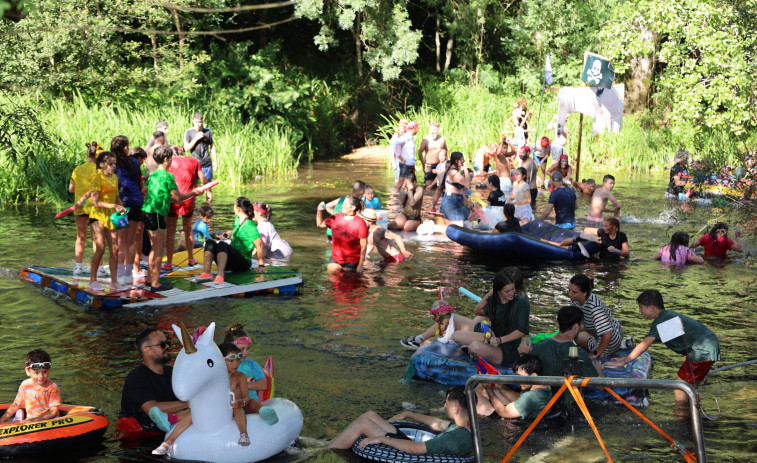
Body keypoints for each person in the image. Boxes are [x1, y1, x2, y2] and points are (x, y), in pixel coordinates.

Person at [607, 290, 720, 403]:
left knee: (679, 386)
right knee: (690, 385)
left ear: (651, 307)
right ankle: (693, 413)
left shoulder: (661, 322)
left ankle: (680, 414)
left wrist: (624, 360)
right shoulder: (667, 316)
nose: (640, 311)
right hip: (707, 345)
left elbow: (645, 344)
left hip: (702, 349)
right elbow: (653, 341)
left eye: (641, 307)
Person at [328, 386, 474, 458]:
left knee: (363, 424)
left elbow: (415, 449)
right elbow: (437, 422)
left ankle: (326, 450)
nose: (444, 406)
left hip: (413, 456)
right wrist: (408, 414)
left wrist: (382, 439)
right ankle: (329, 443)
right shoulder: (462, 426)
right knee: (370, 415)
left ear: (456, 408)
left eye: (447, 403)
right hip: (414, 450)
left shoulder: (454, 439)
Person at [141, 145, 202, 291]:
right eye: (171, 159)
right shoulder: (168, 176)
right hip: (156, 213)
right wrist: (193, 192)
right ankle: (155, 284)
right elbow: (180, 198)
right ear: (166, 159)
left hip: (148, 212)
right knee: (158, 248)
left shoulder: (154, 175)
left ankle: (150, 279)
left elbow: (170, 199)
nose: (172, 161)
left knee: (154, 248)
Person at [120, 328, 188, 437]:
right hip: (142, 437)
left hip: (169, 428)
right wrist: (187, 403)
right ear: (147, 350)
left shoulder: (172, 373)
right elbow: (152, 409)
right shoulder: (136, 378)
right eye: (162, 344)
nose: (167, 347)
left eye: (167, 343)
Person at [451, 273, 529, 365]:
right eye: (507, 291)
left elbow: (521, 331)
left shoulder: (521, 302)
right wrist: (490, 334)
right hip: (492, 340)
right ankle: (478, 349)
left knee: (474, 347)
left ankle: (476, 351)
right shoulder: (494, 299)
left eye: (513, 289)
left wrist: (500, 340)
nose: (512, 293)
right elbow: (478, 311)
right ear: (498, 291)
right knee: (455, 335)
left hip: (509, 348)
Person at [198, 197, 265, 283]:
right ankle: (207, 272)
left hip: (243, 264)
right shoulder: (237, 220)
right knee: (210, 242)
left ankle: (220, 274)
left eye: (234, 206)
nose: (233, 208)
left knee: (222, 244)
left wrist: (261, 265)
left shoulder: (249, 225)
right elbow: (234, 236)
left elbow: (260, 244)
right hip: (231, 262)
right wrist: (222, 236)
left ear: (238, 208)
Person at [87, 151, 127, 291]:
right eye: (110, 164)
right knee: (100, 249)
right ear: (102, 164)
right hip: (97, 216)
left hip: (111, 217)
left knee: (115, 249)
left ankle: (114, 281)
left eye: (115, 163)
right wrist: (113, 206)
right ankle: (93, 280)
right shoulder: (97, 178)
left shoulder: (114, 177)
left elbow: (116, 197)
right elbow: (95, 202)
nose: (113, 166)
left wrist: (121, 207)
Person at [165, 146, 207, 269]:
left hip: (173, 200)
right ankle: (191, 258)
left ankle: (168, 263)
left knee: (171, 232)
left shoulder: (169, 162)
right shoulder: (194, 161)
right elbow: (203, 180)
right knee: (188, 229)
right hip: (189, 199)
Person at [474, 354, 551, 419]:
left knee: (475, 396)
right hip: (520, 414)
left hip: (514, 425)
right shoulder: (542, 386)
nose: (517, 380)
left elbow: (503, 412)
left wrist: (488, 389)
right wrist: (500, 385)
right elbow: (519, 398)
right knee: (484, 387)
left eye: (519, 376)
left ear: (533, 376)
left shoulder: (531, 397)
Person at [112, 135, 145, 285]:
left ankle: (119, 274)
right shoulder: (134, 162)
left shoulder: (111, 163)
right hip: (137, 201)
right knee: (131, 241)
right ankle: (128, 274)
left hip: (122, 204)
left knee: (121, 241)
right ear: (126, 148)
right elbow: (137, 180)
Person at [567, 274, 624, 357]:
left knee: (576, 336)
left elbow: (608, 334)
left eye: (574, 292)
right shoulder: (575, 300)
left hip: (610, 343)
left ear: (584, 293)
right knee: (572, 330)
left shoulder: (595, 309)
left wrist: (595, 355)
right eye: (569, 290)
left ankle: (606, 349)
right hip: (609, 329)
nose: (570, 294)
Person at [0, 349, 60, 424]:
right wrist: (1, 421)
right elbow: (16, 404)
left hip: (49, 421)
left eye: (45, 372)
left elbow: (53, 411)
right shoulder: (25, 385)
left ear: (49, 370)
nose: (41, 376)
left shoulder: (52, 387)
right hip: (30, 422)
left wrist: (36, 420)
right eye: (36, 373)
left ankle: (19, 417)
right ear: (28, 371)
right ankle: (18, 417)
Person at [316, 195, 368, 274]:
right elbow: (320, 224)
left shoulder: (360, 223)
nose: (342, 206)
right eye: (343, 204)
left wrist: (360, 265)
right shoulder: (336, 217)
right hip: (335, 258)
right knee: (333, 271)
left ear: (353, 207)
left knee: (348, 283)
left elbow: (363, 246)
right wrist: (319, 211)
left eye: (345, 204)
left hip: (352, 262)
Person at [70, 141, 100, 277]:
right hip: (94, 207)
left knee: (80, 237)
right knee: (96, 238)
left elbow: (71, 189)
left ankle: (78, 267)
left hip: (80, 206)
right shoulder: (99, 170)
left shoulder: (77, 169)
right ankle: (99, 269)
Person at [183, 112, 218, 203]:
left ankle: (209, 208)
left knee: (208, 187)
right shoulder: (189, 132)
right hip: (194, 164)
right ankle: (192, 208)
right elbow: (186, 148)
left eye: (200, 122)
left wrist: (215, 162)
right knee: (193, 187)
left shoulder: (208, 131)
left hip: (206, 163)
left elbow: (212, 146)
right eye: (197, 122)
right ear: (193, 121)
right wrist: (196, 138)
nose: (199, 124)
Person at [440, 152, 475, 227]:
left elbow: (464, 186)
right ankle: (436, 228)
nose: (463, 162)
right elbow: (467, 182)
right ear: (457, 161)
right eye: (462, 160)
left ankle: (462, 225)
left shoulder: (456, 172)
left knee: (478, 212)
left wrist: (471, 205)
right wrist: (465, 169)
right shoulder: (452, 172)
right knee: (459, 225)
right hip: (451, 202)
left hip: (458, 201)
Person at [418, 122, 448, 188]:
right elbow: (420, 152)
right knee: (428, 186)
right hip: (429, 165)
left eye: (434, 129)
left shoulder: (442, 139)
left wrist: (449, 163)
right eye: (431, 130)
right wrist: (423, 164)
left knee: (441, 184)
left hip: (440, 164)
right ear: (429, 130)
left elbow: (446, 150)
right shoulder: (425, 140)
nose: (432, 131)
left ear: (438, 130)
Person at [394, 121, 420, 191]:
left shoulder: (410, 137)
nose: (418, 130)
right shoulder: (406, 136)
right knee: (400, 183)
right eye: (417, 128)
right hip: (405, 165)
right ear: (413, 128)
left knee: (410, 184)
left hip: (410, 165)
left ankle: (405, 199)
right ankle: (394, 199)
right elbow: (394, 144)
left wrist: (414, 163)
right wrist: (399, 156)